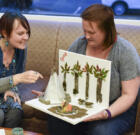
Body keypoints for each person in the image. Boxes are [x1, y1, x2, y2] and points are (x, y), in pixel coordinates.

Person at [47, 4, 140, 135]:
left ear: (107, 30)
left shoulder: (125, 51)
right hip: (83, 101)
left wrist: (105, 113)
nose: (87, 36)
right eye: (84, 31)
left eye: (91, 32)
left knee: (100, 131)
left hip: (115, 107)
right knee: (55, 117)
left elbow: (129, 95)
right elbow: (65, 76)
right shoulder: (80, 44)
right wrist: (49, 95)